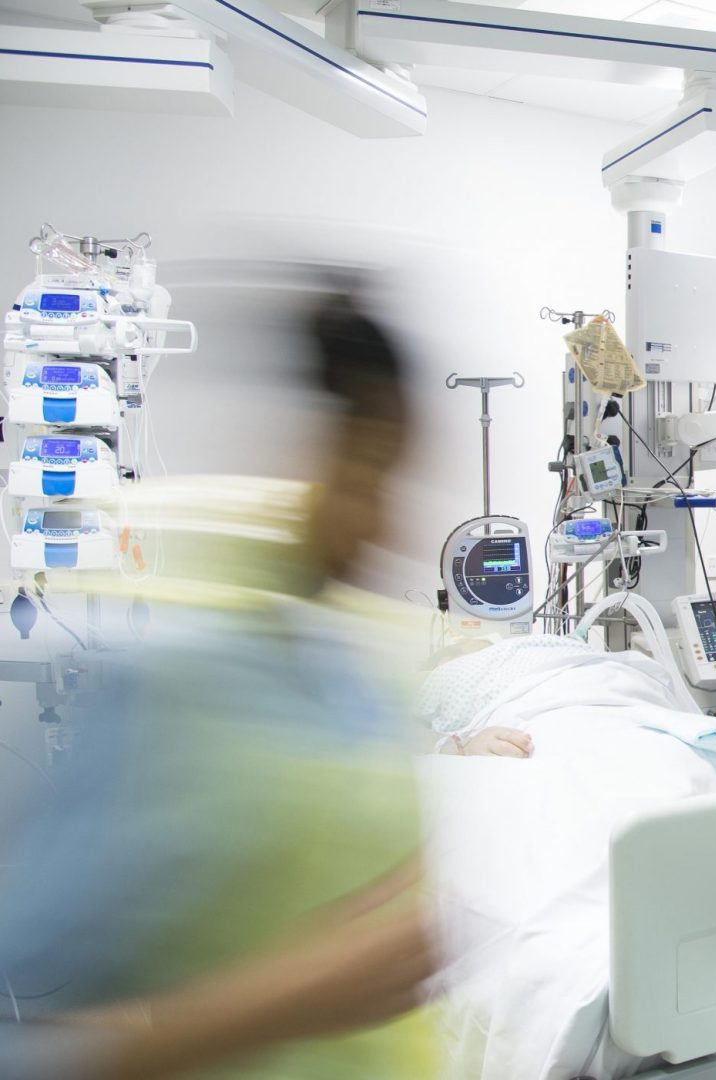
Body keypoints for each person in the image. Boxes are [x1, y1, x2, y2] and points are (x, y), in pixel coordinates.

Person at [0, 286, 444, 1077]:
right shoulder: (166, 690)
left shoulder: (356, 671)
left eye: (395, 479)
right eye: (362, 474)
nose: (383, 522)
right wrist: (289, 1000)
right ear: (288, 451)